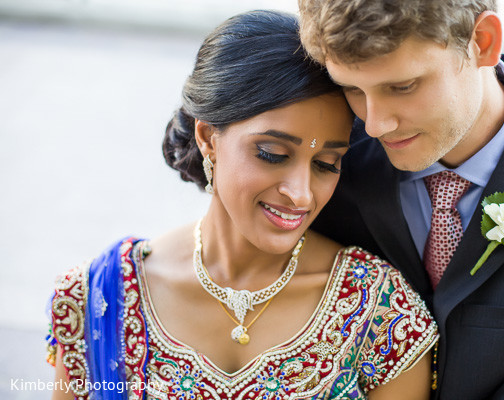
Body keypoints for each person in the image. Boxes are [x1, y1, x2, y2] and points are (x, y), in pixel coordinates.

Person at [46, 10, 438, 400]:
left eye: (326, 164)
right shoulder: (99, 298)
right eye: (271, 154)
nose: (301, 194)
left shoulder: (381, 314)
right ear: (208, 138)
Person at [298, 0, 504, 399]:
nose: (375, 124)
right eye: (352, 89)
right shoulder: (330, 160)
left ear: (482, 41)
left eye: (402, 86)